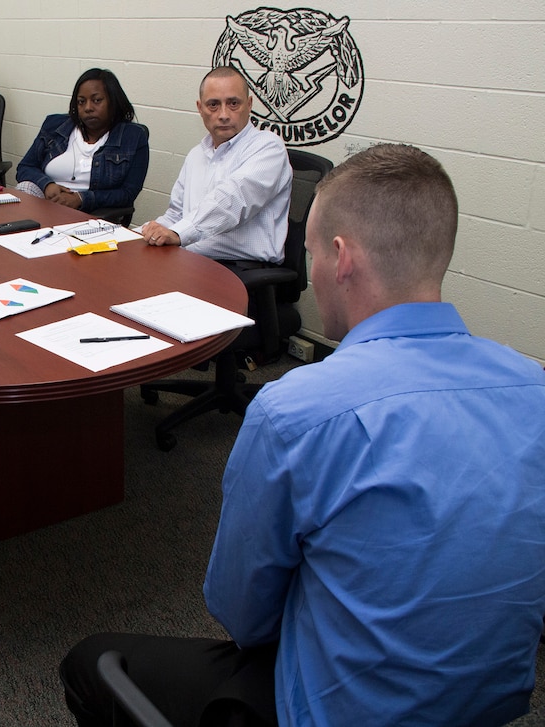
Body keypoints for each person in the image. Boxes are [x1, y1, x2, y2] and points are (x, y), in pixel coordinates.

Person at [59, 144, 545, 726]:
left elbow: (242, 618)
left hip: (337, 711)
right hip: (491, 705)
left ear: (341, 259)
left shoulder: (296, 410)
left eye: (311, 252)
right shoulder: (531, 386)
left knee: (91, 663)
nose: (310, 272)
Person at [141, 66, 291, 264]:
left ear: (249, 104)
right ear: (200, 108)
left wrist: (178, 233)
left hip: (243, 269)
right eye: (213, 105)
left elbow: (232, 200)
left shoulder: (268, 147)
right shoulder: (197, 154)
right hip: (192, 260)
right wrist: (145, 233)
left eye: (233, 104)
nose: (223, 114)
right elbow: (177, 214)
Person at [15, 68, 148, 213]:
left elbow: (127, 193)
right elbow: (25, 167)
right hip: (46, 203)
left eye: (97, 100)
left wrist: (81, 199)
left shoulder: (133, 137)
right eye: (81, 102)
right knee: (24, 188)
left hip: (89, 214)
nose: (88, 108)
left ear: (113, 101)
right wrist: (47, 185)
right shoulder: (55, 125)